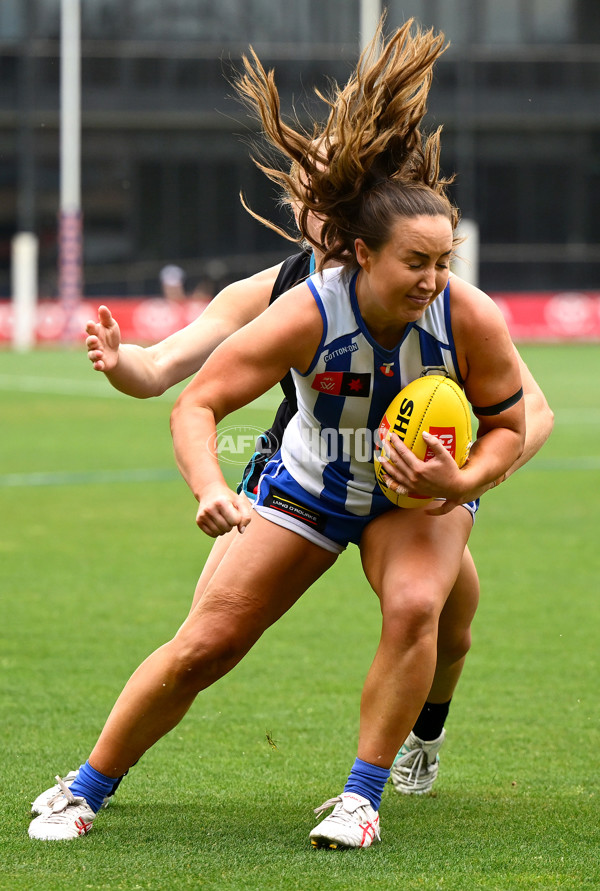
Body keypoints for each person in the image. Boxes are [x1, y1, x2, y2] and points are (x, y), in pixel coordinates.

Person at [28, 20, 544, 847]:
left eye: (443, 261)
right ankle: (85, 784)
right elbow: (186, 393)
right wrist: (209, 485)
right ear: (361, 246)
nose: (435, 275)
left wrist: (462, 481)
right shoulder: (292, 301)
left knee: (432, 609)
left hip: (418, 492)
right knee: (209, 642)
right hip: (308, 478)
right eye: (421, 261)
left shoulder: (459, 307)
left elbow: (523, 419)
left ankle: (365, 794)